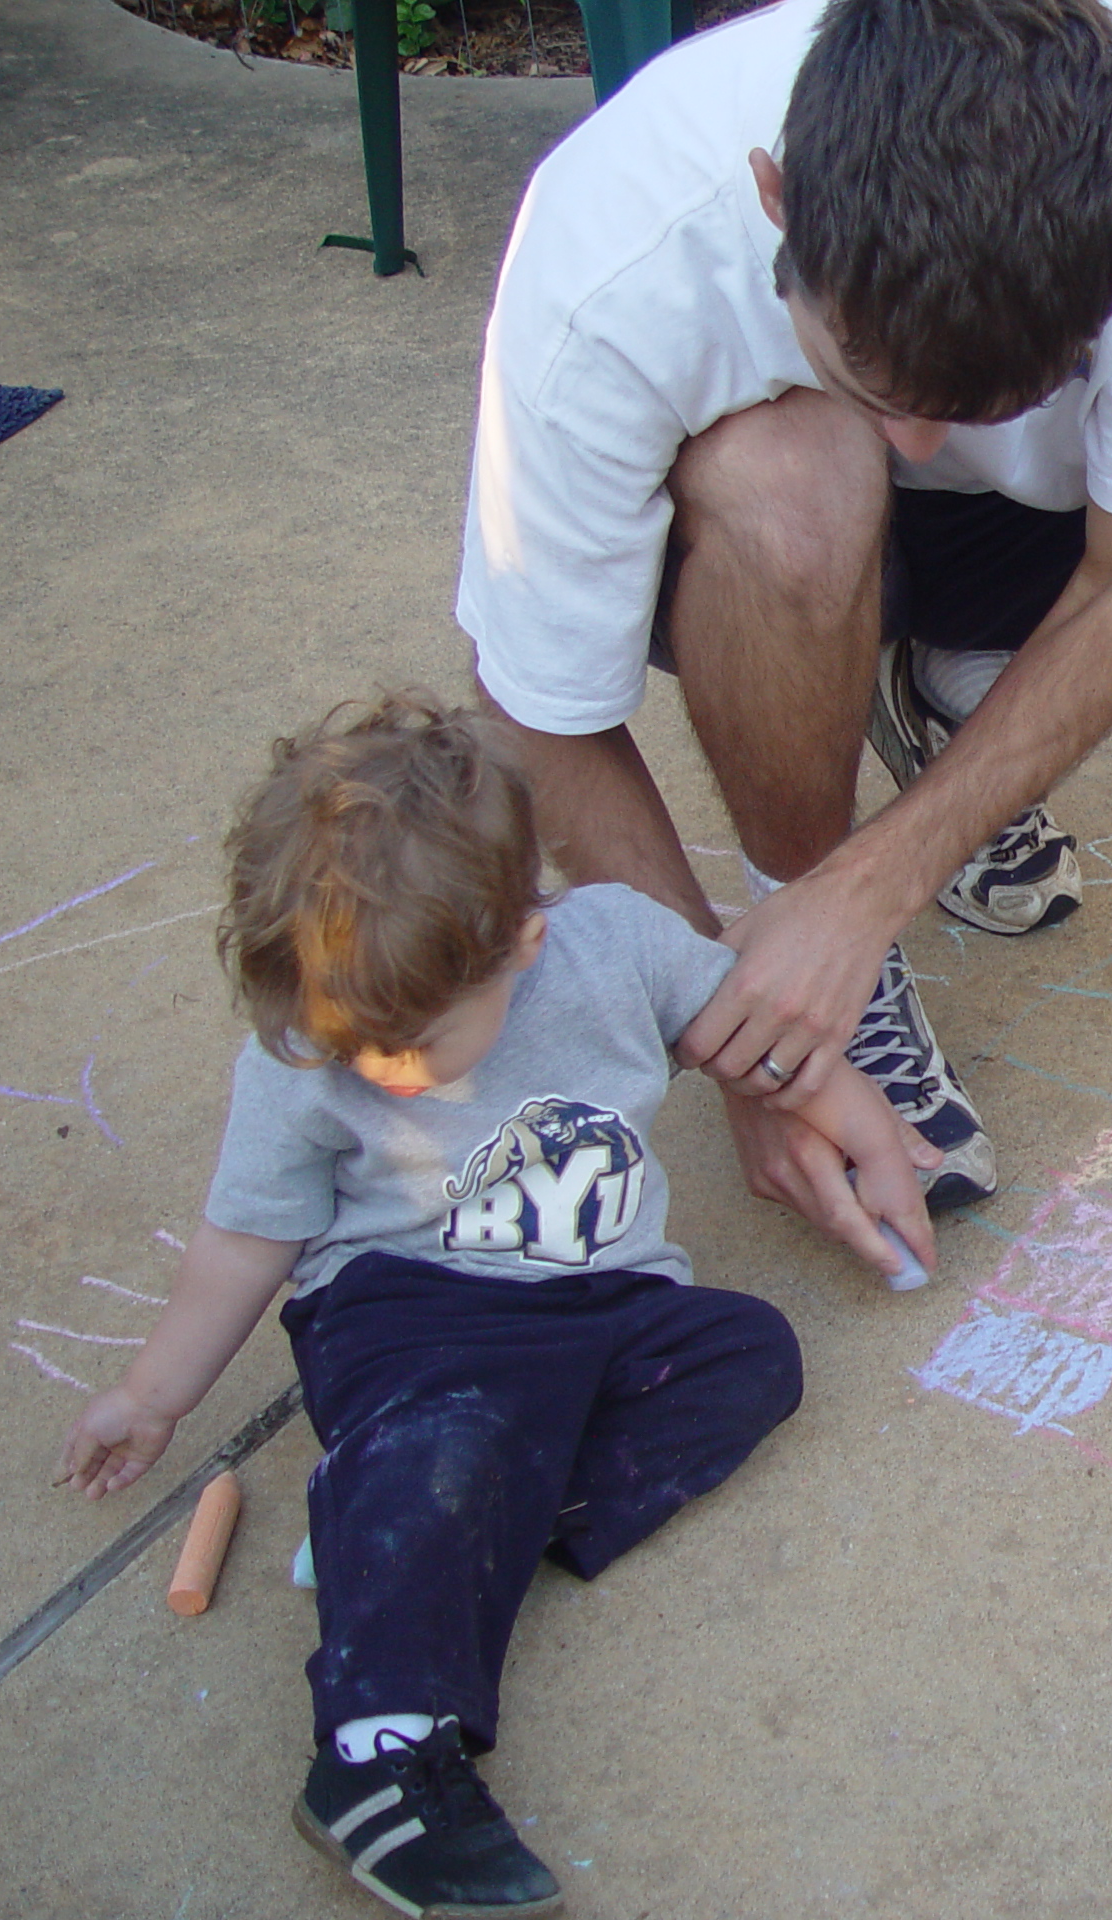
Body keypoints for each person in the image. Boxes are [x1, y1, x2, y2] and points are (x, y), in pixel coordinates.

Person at [457, 0, 1112, 1237]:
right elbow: (538, 707)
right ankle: (815, 947)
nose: (924, 445)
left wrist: (881, 882)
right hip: (770, 549)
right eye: (871, 383)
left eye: (996, 394)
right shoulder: (611, 251)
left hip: (1066, 531)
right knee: (801, 476)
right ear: (776, 201)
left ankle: (953, 688)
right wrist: (730, 1023)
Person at [57, 694, 935, 1919]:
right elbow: (241, 1242)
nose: (373, 1067)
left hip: (600, 1305)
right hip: (408, 1315)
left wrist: (868, 1138)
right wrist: (152, 1396)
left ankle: (420, 1528)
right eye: (347, 1040)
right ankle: (378, 1758)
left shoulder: (616, 943)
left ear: (523, 943)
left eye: (408, 1042)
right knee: (459, 1427)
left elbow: (761, 1043)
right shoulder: (301, 1050)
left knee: (750, 1356)